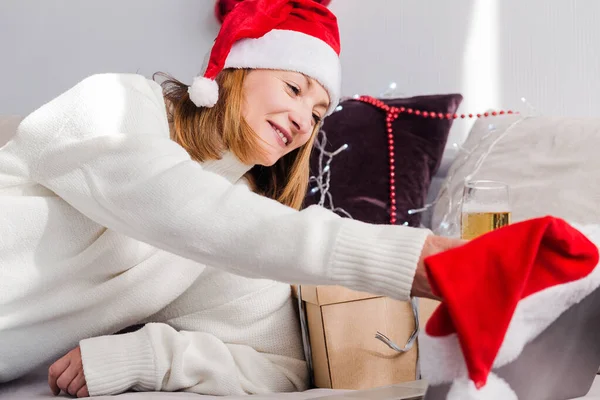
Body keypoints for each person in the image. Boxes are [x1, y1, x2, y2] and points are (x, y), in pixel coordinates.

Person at [0, 0, 465, 397]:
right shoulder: (115, 105)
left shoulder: (236, 225)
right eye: (294, 88)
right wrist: (409, 258)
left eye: (318, 113)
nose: (304, 120)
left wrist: (148, 354)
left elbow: (280, 368)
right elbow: (180, 206)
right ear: (236, 71)